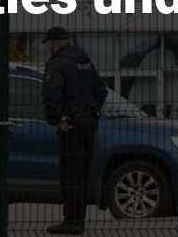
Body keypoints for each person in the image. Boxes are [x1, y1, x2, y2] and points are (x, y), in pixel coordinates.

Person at [40, 26, 107, 235]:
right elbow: (101, 90)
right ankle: (78, 220)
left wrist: (58, 118)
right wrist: (91, 110)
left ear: (53, 42)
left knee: (69, 175)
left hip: (71, 124)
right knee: (82, 174)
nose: (48, 47)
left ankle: (72, 221)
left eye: (48, 43)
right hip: (89, 122)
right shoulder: (82, 59)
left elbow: (51, 93)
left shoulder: (57, 63)